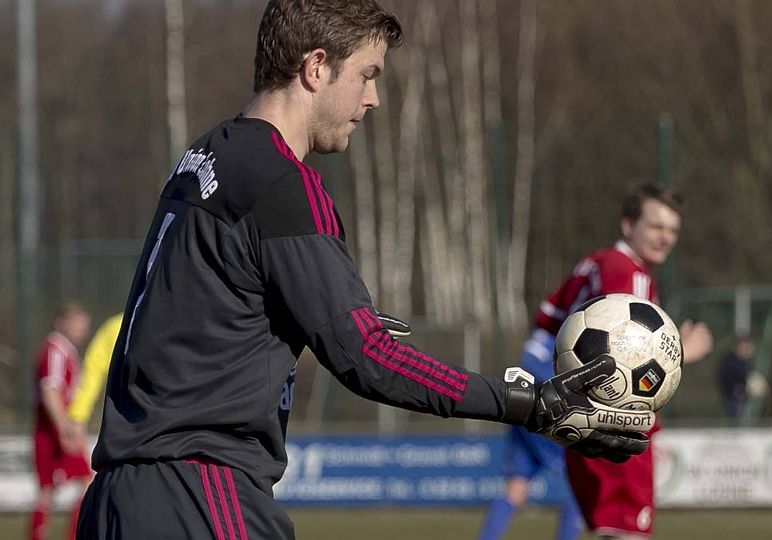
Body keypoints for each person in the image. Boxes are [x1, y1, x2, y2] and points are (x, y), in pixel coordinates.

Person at [76, 2, 657, 538]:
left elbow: (221, 309)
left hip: (116, 500)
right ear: (316, 68)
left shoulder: (204, 157)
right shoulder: (282, 184)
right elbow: (366, 358)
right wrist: (527, 403)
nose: (373, 98)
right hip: (199, 493)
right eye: (367, 74)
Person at [538, 183, 714, 539]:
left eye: (672, 230)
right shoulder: (629, 273)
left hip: (582, 416)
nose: (665, 238)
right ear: (628, 225)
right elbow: (623, 350)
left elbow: (547, 320)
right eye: (656, 226)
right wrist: (682, 350)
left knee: (610, 529)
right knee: (628, 532)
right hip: (617, 419)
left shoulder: (592, 264)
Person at [477, 329, 583, 540]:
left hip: (525, 413)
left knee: (516, 488)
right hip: (547, 415)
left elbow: (527, 362)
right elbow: (530, 365)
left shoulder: (550, 334)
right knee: (578, 485)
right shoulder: (559, 335)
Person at [31, 302, 92, 540]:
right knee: (86, 483)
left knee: (48, 490)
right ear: (61, 323)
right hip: (55, 432)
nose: (81, 330)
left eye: (83, 325)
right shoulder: (55, 350)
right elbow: (50, 391)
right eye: (76, 324)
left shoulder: (65, 351)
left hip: (55, 430)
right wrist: (64, 428)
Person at [65, 313, 123, 434]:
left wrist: (78, 416)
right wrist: (78, 416)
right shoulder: (118, 327)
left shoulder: (119, 325)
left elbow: (93, 373)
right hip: (132, 419)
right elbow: (93, 373)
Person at [717, 334, 767, 424]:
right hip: (733, 397)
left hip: (743, 397)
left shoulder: (745, 363)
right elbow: (726, 379)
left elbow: (749, 378)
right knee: (736, 420)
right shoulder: (730, 362)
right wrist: (736, 388)